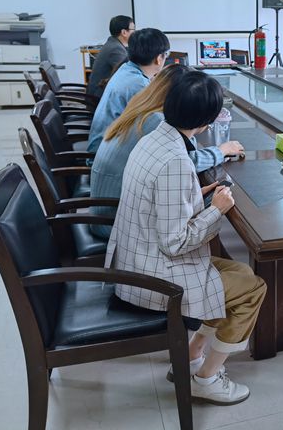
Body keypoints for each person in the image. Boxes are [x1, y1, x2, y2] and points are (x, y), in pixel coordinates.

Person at [106, 71, 266, 405]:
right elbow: (175, 242)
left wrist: (197, 195)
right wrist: (216, 210)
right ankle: (206, 379)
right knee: (252, 289)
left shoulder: (153, 139)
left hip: (135, 260)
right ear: (207, 122)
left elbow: (163, 203)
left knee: (239, 273)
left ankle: (193, 355)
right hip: (153, 278)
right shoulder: (176, 162)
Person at [89, 64, 245, 239]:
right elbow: (185, 161)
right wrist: (216, 209)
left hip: (110, 207)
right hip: (114, 219)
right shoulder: (155, 123)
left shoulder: (146, 112)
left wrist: (193, 198)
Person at [87, 27, 170, 153]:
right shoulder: (138, 84)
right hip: (105, 152)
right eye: (167, 55)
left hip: (104, 144)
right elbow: (157, 124)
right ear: (158, 58)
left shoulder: (126, 69)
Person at [87, 15, 135, 98]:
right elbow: (128, 74)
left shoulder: (113, 43)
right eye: (133, 29)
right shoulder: (116, 49)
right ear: (124, 32)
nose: (135, 32)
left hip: (100, 92)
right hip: (99, 97)